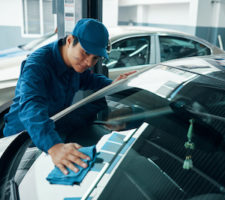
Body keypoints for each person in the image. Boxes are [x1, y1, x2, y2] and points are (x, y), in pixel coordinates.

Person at [3, 18, 135, 175]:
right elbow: (31, 107)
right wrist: (54, 147)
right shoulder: (38, 64)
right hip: (21, 139)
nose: (88, 62)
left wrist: (112, 85)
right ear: (70, 40)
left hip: (50, 129)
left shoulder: (74, 63)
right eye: (85, 53)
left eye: (95, 58)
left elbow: (88, 79)